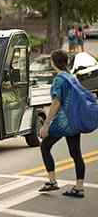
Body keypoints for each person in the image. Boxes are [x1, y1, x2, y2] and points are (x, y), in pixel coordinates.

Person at [38, 49, 85, 198]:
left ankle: (52, 181)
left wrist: (46, 124)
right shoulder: (72, 77)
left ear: (53, 62)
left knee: (45, 146)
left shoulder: (59, 79)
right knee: (76, 153)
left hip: (63, 122)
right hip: (74, 120)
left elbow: (56, 102)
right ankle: (79, 187)